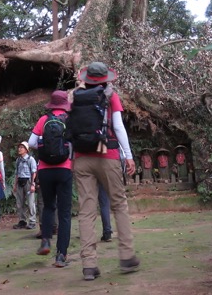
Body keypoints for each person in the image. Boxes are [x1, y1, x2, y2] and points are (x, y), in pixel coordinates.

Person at [71, 62, 139, 281]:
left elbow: (71, 128)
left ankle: (89, 266)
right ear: (105, 79)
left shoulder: (76, 98)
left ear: (88, 78)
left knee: (86, 211)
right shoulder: (111, 96)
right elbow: (118, 127)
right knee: (118, 204)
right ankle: (127, 256)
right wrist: (127, 155)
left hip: (82, 159)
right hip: (107, 156)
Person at [27, 90, 74, 268]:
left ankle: (46, 241)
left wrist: (44, 143)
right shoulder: (68, 120)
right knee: (64, 213)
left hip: (45, 170)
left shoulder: (43, 120)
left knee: (48, 206)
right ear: (64, 105)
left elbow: (31, 143)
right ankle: (61, 255)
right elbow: (74, 144)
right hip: (64, 169)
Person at [12, 141, 37, 230]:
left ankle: (32, 221)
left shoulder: (31, 159)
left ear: (26, 150)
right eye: (19, 147)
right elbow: (17, 173)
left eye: (22, 147)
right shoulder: (18, 160)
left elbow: (34, 172)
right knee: (19, 203)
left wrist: (33, 184)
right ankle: (22, 221)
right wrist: (15, 185)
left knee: (30, 203)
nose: (19, 149)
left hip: (28, 182)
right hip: (20, 182)